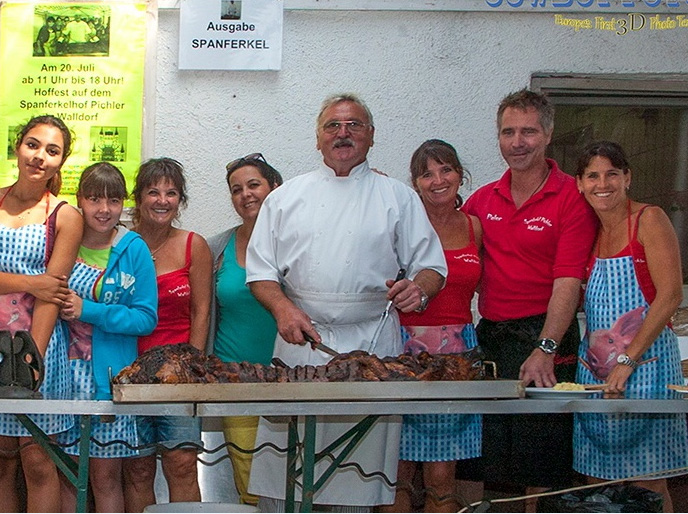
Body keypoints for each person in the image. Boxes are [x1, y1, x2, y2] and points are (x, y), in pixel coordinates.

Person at [245, 93, 447, 512]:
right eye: (332, 126)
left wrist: (419, 289)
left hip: (372, 346)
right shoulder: (285, 198)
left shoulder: (398, 197)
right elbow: (261, 273)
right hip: (301, 345)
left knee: (360, 476)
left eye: (354, 125)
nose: (343, 134)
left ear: (371, 137)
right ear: (317, 139)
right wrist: (283, 309)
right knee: (287, 473)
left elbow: (431, 267)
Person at [461, 88, 598, 510]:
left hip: (546, 338)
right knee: (482, 455)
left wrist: (546, 346)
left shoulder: (572, 196)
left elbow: (569, 280)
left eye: (528, 132)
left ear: (548, 134)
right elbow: (466, 265)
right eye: (508, 132)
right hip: (492, 341)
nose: (517, 142)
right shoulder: (483, 199)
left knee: (542, 459)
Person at [573, 140, 688, 512]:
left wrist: (628, 360)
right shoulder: (588, 231)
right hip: (595, 376)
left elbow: (669, 295)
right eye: (592, 176)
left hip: (647, 372)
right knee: (599, 481)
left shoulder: (648, 219)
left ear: (627, 178)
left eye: (611, 174)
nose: (601, 184)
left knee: (647, 484)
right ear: (580, 183)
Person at [380, 140, 482, 513]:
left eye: (446, 170)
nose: (438, 180)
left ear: (460, 174)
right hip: (404, 351)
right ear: (415, 183)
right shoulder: (402, 222)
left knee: (442, 476)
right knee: (397, 472)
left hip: (457, 356)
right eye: (427, 174)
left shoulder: (474, 226)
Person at [57, 162, 158, 512]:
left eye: (113, 201)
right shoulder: (61, 241)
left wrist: (90, 311)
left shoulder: (133, 249)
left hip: (107, 380)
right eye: (94, 199)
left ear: (124, 205)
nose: (103, 210)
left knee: (104, 479)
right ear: (79, 201)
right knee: (65, 477)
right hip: (59, 377)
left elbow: (146, 319)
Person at [0, 115, 83, 512]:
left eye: (52, 151)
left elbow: (54, 295)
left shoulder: (66, 216)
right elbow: (44, 286)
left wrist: (32, 356)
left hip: (39, 350)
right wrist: (30, 283)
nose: (40, 157)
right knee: (1, 460)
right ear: (18, 147)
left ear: (61, 162)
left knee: (37, 460)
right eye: (33, 145)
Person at [122, 158, 213, 512]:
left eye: (171, 193)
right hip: (129, 374)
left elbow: (201, 311)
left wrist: (191, 370)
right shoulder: (122, 243)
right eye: (153, 191)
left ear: (181, 200)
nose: (162, 200)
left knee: (182, 464)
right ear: (139, 197)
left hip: (178, 377)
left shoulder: (194, 245)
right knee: (138, 469)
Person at [207, 153, 282, 506]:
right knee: (250, 484)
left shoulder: (298, 241)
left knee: (291, 477)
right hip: (233, 379)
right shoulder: (217, 248)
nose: (246, 195)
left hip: (291, 380)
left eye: (254, 185)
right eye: (237, 189)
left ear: (275, 188)